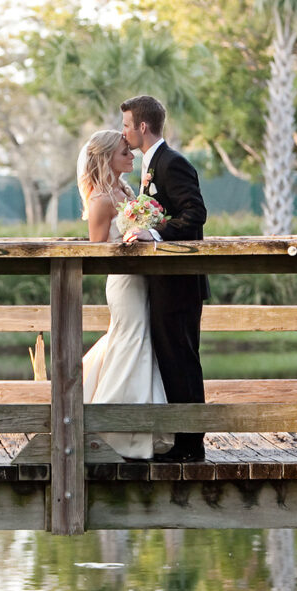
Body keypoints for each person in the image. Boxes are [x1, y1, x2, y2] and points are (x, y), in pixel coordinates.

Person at [121, 95, 209, 462]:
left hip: (180, 282)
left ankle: (191, 446)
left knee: (182, 360)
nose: (123, 132)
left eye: (126, 125)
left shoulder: (172, 164)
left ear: (143, 126)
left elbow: (195, 215)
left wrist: (153, 234)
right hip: (163, 283)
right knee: (170, 359)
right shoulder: (149, 165)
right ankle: (181, 440)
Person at [78, 129, 172, 460]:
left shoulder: (125, 189)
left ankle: (138, 429)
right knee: (130, 338)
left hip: (143, 278)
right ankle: (109, 428)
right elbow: (97, 250)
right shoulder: (101, 199)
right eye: (124, 152)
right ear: (107, 158)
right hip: (123, 281)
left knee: (139, 339)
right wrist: (125, 244)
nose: (132, 155)